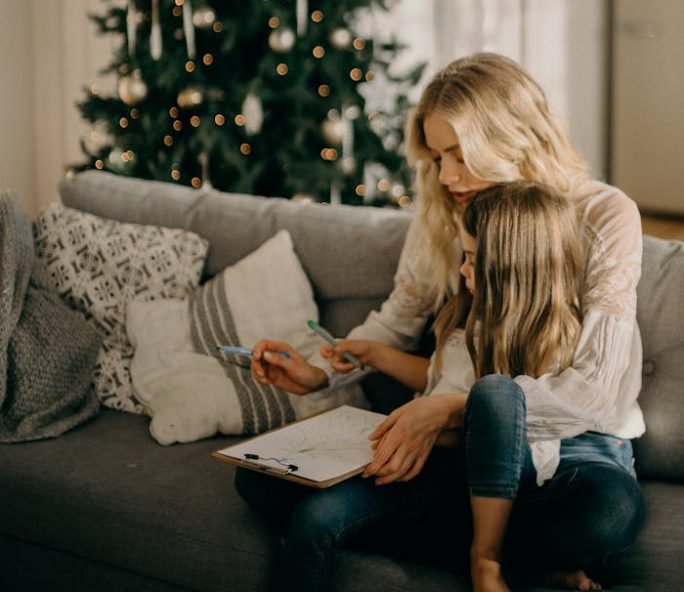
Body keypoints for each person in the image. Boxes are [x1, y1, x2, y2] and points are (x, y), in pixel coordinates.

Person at [238, 53, 646, 589]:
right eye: (436, 158)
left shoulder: (603, 215)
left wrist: (454, 411)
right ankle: (512, 550)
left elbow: (593, 392)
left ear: (515, 137)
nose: (447, 177)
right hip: (458, 454)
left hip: (576, 445)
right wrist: (321, 371)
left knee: (605, 515)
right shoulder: (449, 210)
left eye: (460, 154)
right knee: (262, 481)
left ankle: (491, 543)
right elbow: (396, 323)